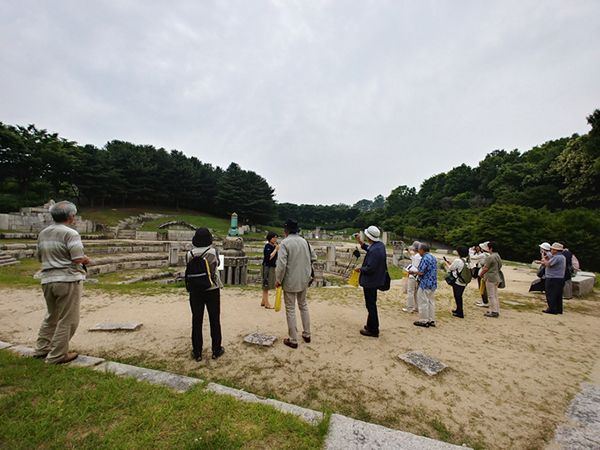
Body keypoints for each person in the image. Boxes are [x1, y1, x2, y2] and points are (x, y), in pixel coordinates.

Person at [32, 201, 90, 364]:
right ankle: (58, 354)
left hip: (47, 279)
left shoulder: (43, 233)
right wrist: (86, 259)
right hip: (67, 279)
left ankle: (42, 348)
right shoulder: (70, 233)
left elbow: (39, 257)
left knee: (52, 315)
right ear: (71, 217)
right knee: (68, 318)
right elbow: (77, 257)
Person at [275, 219, 317, 349]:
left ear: (286, 231)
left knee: (290, 309)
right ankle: (307, 333)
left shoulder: (285, 243)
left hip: (290, 280)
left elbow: (281, 265)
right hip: (303, 279)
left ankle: (293, 339)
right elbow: (314, 257)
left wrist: (278, 279)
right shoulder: (305, 242)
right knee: (303, 305)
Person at [188, 228, 224, 361]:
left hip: (195, 290)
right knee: (214, 319)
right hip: (212, 289)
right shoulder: (213, 252)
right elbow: (217, 265)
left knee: (196, 320)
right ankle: (216, 349)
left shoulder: (189, 254)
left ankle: (197, 352)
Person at [354, 226, 387, 337]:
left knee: (371, 305)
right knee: (371, 303)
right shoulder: (380, 246)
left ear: (369, 237)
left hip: (371, 281)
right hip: (376, 279)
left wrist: (360, 269)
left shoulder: (375, 250)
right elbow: (370, 249)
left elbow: (370, 268)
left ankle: (373, 329)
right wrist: (361, 243)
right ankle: (371, 324)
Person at [409, 243, 437, 328]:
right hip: (433, 282)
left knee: (423, 301)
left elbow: (421, 272)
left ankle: (424, 320)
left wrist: (412, 272)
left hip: (425, 282)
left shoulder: (424, 258)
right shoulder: (433, 257)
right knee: (430, 301)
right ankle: (431, 319)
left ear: (422, 250)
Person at [535, 242, 566, 314]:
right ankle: (558, 309)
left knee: (551, 294)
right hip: (560, 277)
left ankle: (552, 309)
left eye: (552, 249)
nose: (551, 250)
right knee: (558, 295)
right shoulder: (562, 257)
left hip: (553, 277)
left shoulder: (556, 257)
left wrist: (543, 259)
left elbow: (548, 264)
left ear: (556, 250)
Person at [444, 245, 469, 318]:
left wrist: (446, 264)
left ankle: (460, 312)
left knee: (457, 296)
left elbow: (451, 268)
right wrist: (450, 263)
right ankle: (458, 310)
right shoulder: (467, 260)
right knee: (459, 296)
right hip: (464, 281)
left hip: (458, 281)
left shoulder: (458, 260)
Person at [479, 241, 502, 318]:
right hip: (496, 276)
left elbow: (486, 267)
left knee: (491, 295)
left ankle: (494, 311)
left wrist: (481, 274)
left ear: (491, 248)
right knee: (495, 295)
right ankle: (495, 310)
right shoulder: (497, 256)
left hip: (490, 277)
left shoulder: (491, 257)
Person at [260, 232, 278, 309]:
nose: (275, 239)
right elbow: (269, 257)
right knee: (266, 285)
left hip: (272, 266)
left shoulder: (273, 247)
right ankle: (267, 303)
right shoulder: (267, 246)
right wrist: (276, 249)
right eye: (274, 237)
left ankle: (263, 301)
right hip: (267, 267)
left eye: (276, 237)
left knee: (267, 284)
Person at [403, 241, 421, 314]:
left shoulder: (417, 256)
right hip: (418, 276)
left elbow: (414, 263)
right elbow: (412, 259)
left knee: (410, 291)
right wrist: (409, 252)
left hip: (413, 275)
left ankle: (409, 307)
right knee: (416, 292)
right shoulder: (420, 256)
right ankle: (417, 307)